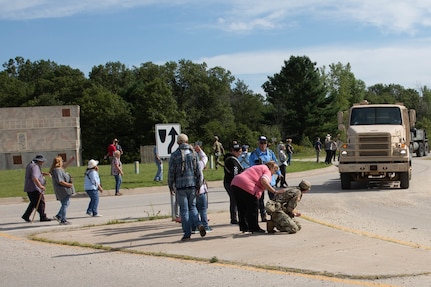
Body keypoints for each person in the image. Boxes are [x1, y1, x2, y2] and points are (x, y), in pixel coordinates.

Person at [168, 133, 206, 241]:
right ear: (187, 141)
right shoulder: (193, 153)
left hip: (180, 186)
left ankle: (187, 233)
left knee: (184, 210)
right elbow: (198, 171)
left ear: (178, 142)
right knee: (193, 207)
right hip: (192, 184)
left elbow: (171, 172)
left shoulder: (174, 155)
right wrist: (199, 185)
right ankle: (199, 224)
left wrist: (170, 185)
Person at [231, 161, 281, 233]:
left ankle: (244, 227)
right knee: (253, 207)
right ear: (272, 169)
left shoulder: (257, 167)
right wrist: (274, 191)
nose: (273, 174)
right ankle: (254, 228)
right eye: (274, 171)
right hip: (248, 186)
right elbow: (263, 180)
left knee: (241, 207)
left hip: (235, 183)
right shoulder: (267, 170)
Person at [248, 135, 282, 221]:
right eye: (261, 143)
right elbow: (252, 166)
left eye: (264, 143)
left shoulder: (270, 153)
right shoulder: (254, 154)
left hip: (270, 179)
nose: (263, 145)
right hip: (259, 180)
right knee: (260, 199)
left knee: (273, 198)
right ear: (258, 143)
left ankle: (274, 215)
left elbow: (275, 164)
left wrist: (279, 173)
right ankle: (263, 215)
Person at [22, 154, 52, 222]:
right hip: (34, 188)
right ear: (39, 161)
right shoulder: (34, 167)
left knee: (33, 202)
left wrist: (44, 174)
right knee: (41, 202)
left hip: (30, 188)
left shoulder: (32, 165)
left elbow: (38, 173)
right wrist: (40, 186)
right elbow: (34, 177)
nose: (43, 163)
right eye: (42, 161)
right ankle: (43, 216)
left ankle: (26, 216)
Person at [50, 156, 75, 225]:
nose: (62, 162)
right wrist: (68, 184)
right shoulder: (57, 170)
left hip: (62, 189)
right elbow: (60, 181)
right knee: (65, 204)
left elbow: (64, 166)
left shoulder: (58, 169)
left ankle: (59, 216)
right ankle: (63, 219)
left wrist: (70, 161)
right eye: (61, 161)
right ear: (59, 162)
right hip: (63, 190)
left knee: (66, 203)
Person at [223, 142, 244, 225]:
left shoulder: (229, 159)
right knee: (234, 200)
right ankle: (234, 218)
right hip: (231, 183)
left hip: (228, 182)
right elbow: (235, 173)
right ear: (233, 151)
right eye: (238, 151)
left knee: (234, 200)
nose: (239, 152)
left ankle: (234, 217)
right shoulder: (233, 160)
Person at [193, 142, 211, 232]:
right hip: (201, 189)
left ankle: (195, 226)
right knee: (203, 209)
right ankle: (205, 226)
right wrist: (200, 151)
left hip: (191, 190)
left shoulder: (186, 167)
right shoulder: (199, 164)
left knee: (193, 209)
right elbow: (205, 158)